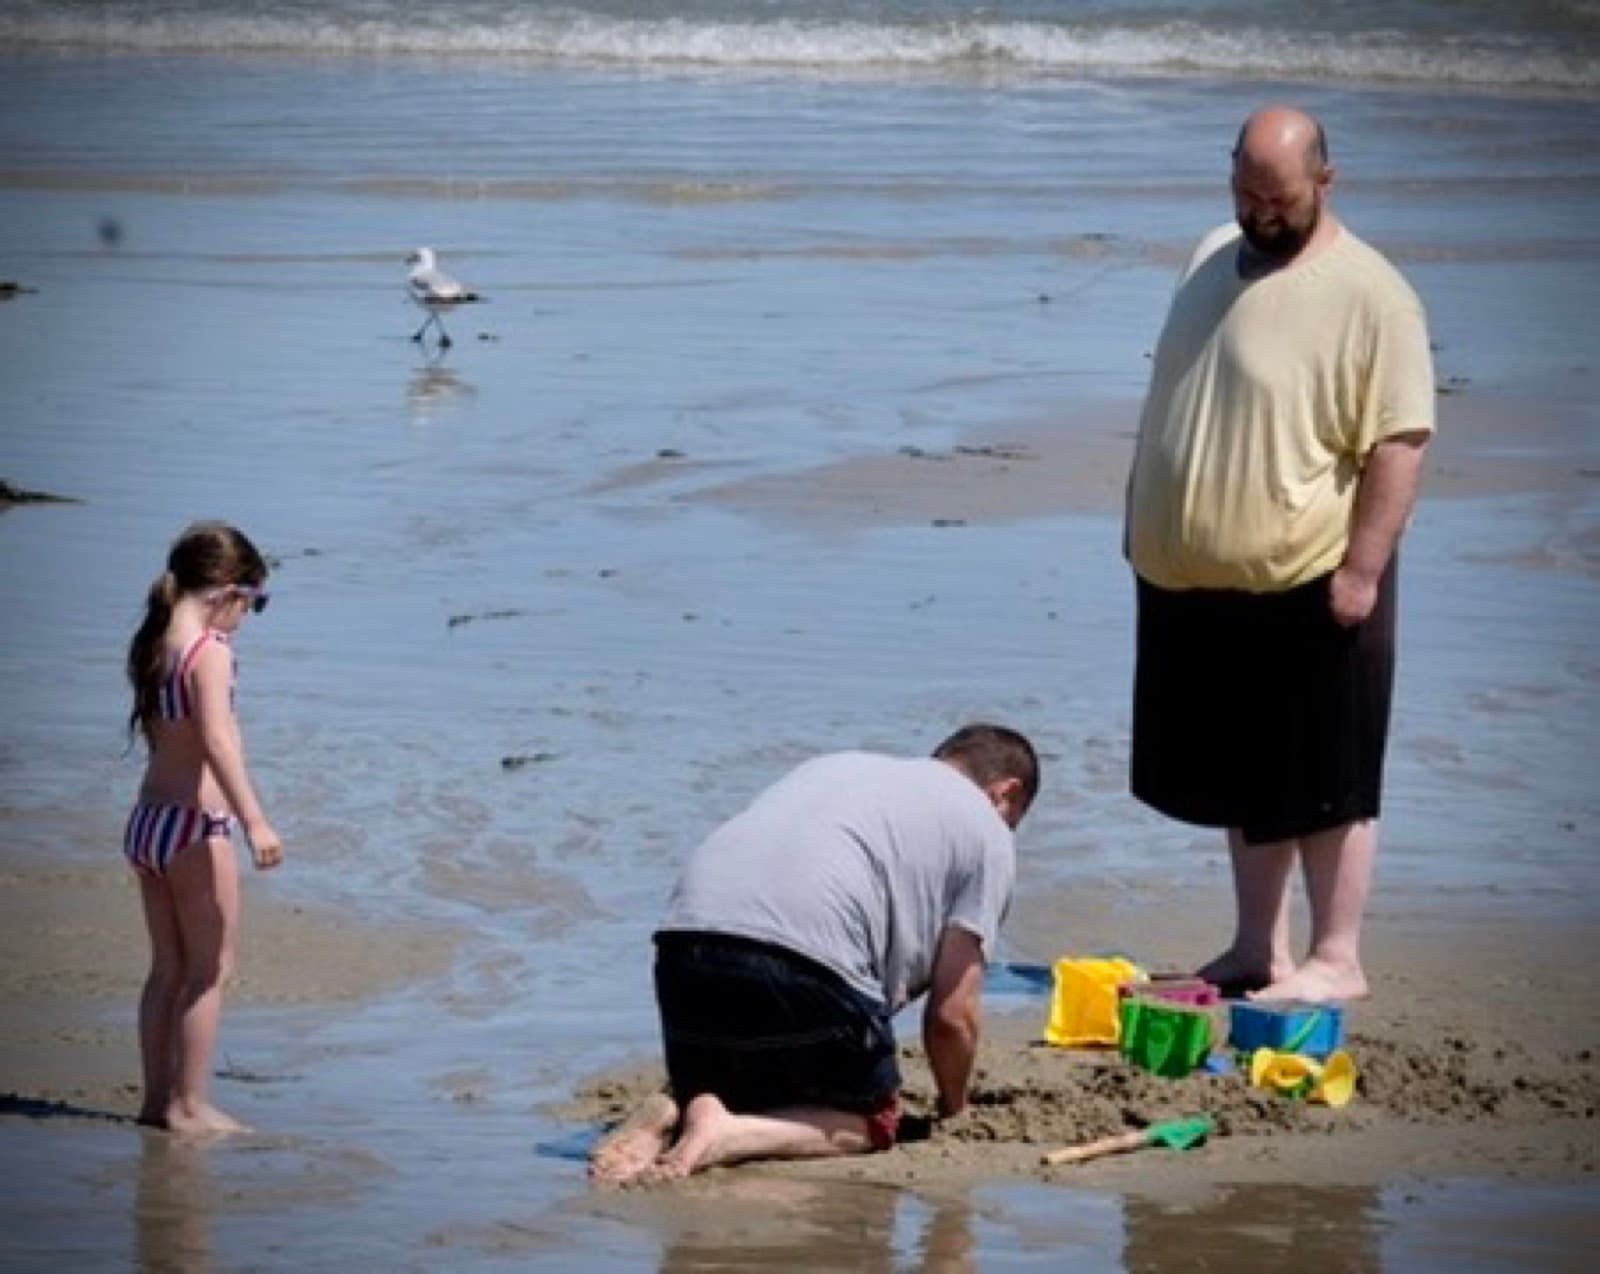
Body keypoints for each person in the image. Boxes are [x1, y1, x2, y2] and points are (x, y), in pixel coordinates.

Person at [1123, 106, 1435, 1003]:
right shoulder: (1210, 254)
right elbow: (1173, 393)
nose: (1261, 212)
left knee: (1327, 776)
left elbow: (1401, 440)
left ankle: (1338, 957)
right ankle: (1259, 948)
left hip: (1313, 571)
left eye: (1281, 197)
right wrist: (1136, 512)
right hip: (1193, 575)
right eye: (1247, 191)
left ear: (1326, 182)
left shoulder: (1374, 293)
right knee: (1243, 770)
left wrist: (1364, 570)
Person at [589, 723, 1039, 1184]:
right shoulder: (988, 831)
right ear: (1006, 793)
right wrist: (954, 1109)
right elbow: (951, 1016)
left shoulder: (838, 765)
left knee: (758, 1074)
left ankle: (679, 1104)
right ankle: (726, 1133)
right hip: (801, 964)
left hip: (683, 949)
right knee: (876, 1120)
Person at [124, 521, 285, 1133]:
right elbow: (217, 739)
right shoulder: (209, 653)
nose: (248, 615)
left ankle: (154, 1101)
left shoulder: (156, 642)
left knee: (166, 967)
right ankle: (188, 1105)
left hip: (147, 824)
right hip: (194, 826)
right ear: (224, 590)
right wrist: (256, 822)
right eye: (254, 602)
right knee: (209, 971)